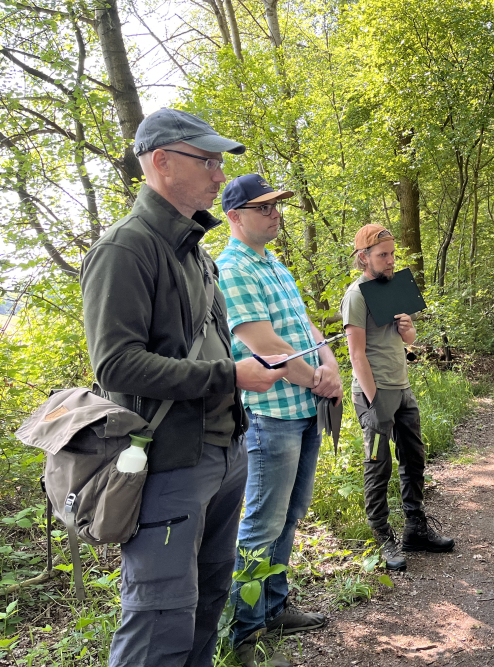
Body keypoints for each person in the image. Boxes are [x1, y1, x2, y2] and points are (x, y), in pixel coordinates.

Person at [80, 108, 289, 667]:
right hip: (169, 464)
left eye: (220, 162)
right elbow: (116, 365)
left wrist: (241, 376)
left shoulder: (196, 252)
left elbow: (210, 346)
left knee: (208, 599)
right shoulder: (125, 249)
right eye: (209, 161)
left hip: (224, 451)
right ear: (163, 162)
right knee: (159, 619)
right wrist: (231, 375)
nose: (220, 175)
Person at [216, 174, 344, 667]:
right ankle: (244, 633)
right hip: (271, 415)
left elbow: (305, 325)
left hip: (303, 410)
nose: (276, 214)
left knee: (289, 515)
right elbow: (262, 344)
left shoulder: (273, 263)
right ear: (234, 216)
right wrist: (317, 380)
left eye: (277, 206)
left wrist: (330, 364)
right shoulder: (232, 268)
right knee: (261, 523)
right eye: (264, 207)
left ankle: (273, 607)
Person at [340, 224, 455, 571]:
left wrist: (409, 331)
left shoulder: (391, 287)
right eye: (383, 255)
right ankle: (381, 536)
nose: (390, 261)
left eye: (392, 254)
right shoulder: (357, 295)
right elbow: (356, 354)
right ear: (364, 258)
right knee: (378, 464)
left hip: (402, 389)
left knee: (414, 458)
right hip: (374, 394)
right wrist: (374, 401)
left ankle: (415, 529)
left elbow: (409, 340)